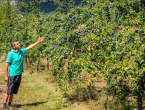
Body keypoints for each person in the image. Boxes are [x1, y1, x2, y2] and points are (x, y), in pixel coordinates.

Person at [3, 37, 45, 109]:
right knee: (8, 90)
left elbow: (29, 47)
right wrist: (6, 76)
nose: (19, 44)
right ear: (14, 46)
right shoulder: (10, 54)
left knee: (13, 90)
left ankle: (10, 103)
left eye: (19, 43)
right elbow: (6, 66)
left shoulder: (21, 51)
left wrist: (38, 42)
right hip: (12, 75)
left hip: (19, 74)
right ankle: (4, 104)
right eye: (17, 44)